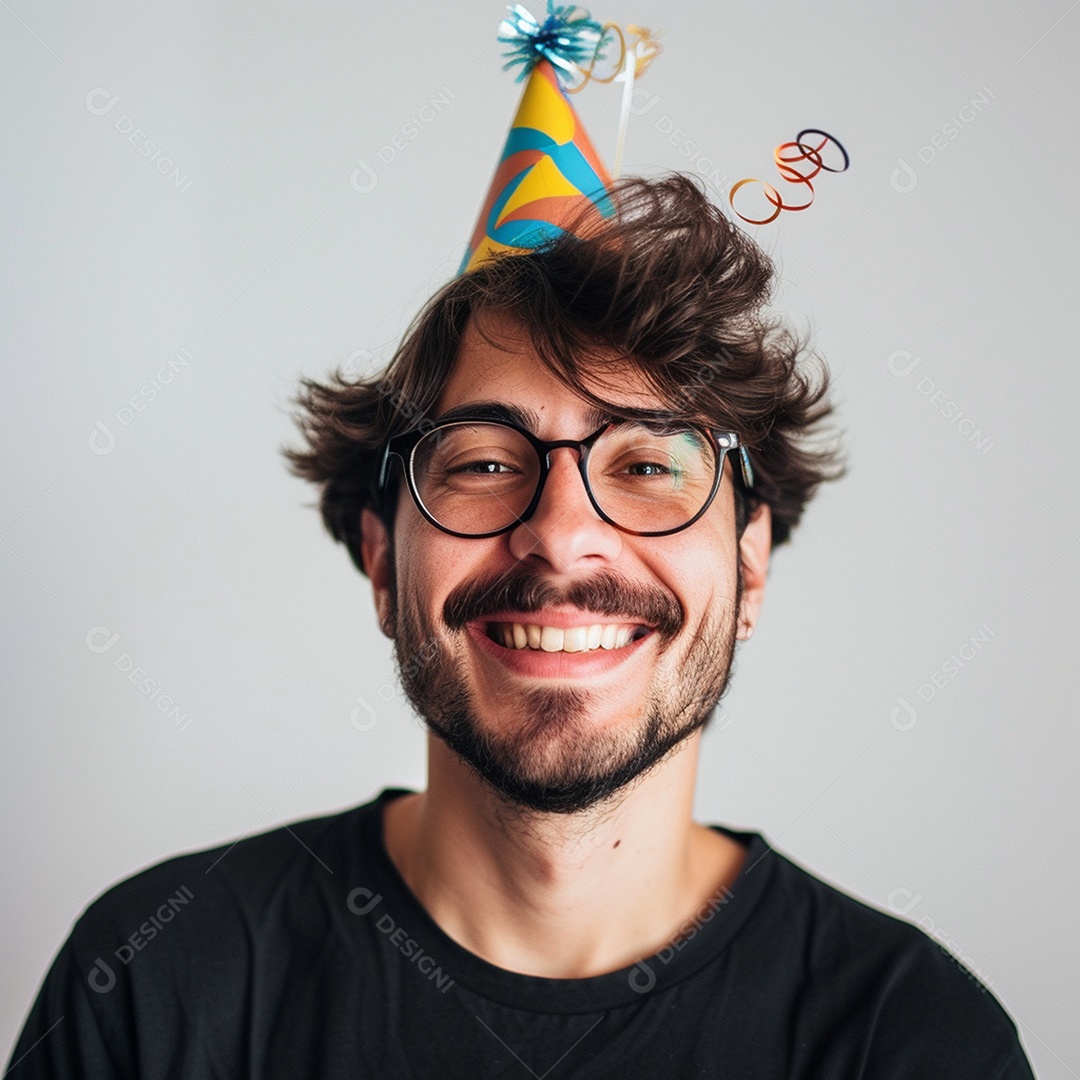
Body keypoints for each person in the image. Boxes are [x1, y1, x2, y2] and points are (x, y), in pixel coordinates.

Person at [7, 24, 1035, 1080]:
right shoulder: (154, 984)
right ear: (382, 561)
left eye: (648, 463)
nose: (561, 533)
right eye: (486, 463)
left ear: (751, 563)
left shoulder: (914, 1041)